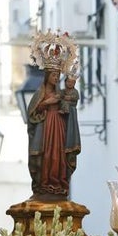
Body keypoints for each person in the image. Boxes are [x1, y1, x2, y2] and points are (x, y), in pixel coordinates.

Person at [27, 67, 81, 200]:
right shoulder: (40, 92)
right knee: (46, 154)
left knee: (59, 153)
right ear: (47, 76)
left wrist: (66, 106)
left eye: (57, 75)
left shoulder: (61, 92)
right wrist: (46, 103)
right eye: (53, 75)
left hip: (59, 125)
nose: (56, 78)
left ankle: (59, 183)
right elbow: (32, 112)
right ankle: (44, 184)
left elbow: (71, 103)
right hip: (45, 126)